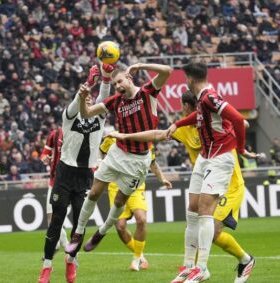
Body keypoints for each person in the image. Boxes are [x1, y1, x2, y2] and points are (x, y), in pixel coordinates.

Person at [109, 90, 258, 283]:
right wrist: (125, 136)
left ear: (188, 106)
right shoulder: (186, 127)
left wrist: (236, 135)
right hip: (205, 181)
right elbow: (158, 134)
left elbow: (242, 123)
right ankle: (210, 266)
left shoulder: (215, 120)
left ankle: (221, 265)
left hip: (229, 185)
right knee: (200, 226)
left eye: (183, 106)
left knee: (210, 228)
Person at [65, 62, 172, 255]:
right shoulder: (115, 101)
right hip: (117, 154)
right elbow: (87, 113)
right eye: (114, 84)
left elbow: (167, 71)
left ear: (129, 78)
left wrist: (139, 65)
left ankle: (102, 232)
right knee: (94, 193)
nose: (117, 86)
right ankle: (78, 233)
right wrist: (82, 98)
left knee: (119, 203)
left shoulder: (147, 92)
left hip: (138, 161)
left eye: (120, 81)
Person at [166, 62, 258, 283]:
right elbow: (198, 118)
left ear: (189, 78)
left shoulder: (209, 97)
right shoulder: (201, 100)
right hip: (205, 158)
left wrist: (241, 149)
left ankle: (201, 267)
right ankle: (188, 267)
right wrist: (177, 124)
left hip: (219, 158)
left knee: (205, 212)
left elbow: (236, 119)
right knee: (193, 209)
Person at [39, 64, 114, 283]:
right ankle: (46, 267)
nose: (90, 101)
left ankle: (70, 261)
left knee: (79, 225)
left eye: (92, 100)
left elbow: (104, 97)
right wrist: (87, 86)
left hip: (84, 177)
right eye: (86, 100)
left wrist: (106, 78)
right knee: (56, 220)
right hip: (64, 174)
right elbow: (75, 103)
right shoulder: (69, 117)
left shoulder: (99, 118)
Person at [100, 135, 172, 271]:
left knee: (141, 219)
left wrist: (162, 179)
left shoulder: (145, 141)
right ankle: (141, 257)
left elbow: (153, 163)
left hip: (136, 185)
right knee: (120, 227)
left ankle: (136, 259)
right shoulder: (111, 139)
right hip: (116, 187)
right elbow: (102, 153)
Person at [40, 125, 68, 252]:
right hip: (53, 181)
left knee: (57, 217)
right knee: (50, 217)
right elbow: (45, 153)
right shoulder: (55, 134)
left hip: (69, 183)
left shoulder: (80, 133)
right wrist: (45, 158)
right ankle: (59, 245)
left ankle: (67, 248)